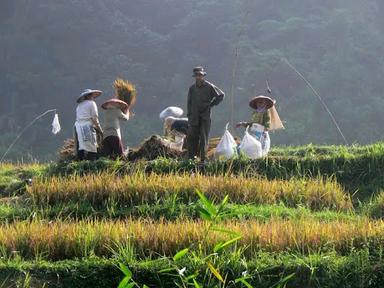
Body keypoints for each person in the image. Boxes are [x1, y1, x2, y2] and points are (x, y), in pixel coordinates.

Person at [187, 66, 225, 162]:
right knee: (192, 136)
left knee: (204, 137)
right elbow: (189, 102)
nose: (198, 77)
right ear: (194, 76)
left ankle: (203, 159)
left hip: (205, 116)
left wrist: (211, 104)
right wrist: (189, 115)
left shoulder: (209, 86)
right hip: (194, 116)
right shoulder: (192, 88)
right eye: (196, 75)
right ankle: (192, 158)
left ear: (203, 75)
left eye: (200, 75)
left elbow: (221, 95)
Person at [74, 89, 103, 161]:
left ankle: (80, 163)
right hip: (86, 127)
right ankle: (91, 164)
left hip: (77, 127)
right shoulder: (92, 103)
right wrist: (100, 129)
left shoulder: (79, 105)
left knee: (80, 147)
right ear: (90, 96)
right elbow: (95, 118)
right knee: (91, 148)